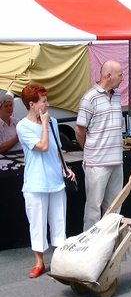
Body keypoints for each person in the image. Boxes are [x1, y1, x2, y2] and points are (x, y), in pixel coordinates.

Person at [16, 84, 75, 278]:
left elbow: (57, 149)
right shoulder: (23, 126)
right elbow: (42, 146)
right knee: (37, 222)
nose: (47, 105)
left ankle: (58, 258)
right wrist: (43, 124)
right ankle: (39, 261)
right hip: (35, 181)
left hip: (55, 178)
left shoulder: (53, 122)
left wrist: (65, 168)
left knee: (59, 220)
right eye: (43, 101)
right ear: (32, 104)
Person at [75, 60, 124, 231]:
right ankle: (90, 247)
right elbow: (80, 129)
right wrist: (88, 149)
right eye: (120, 75)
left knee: (115, 205)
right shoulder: (89, 98)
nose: (123, 78)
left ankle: (109, 245)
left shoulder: (117, 95)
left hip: (116, 161)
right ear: (108, 76)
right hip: (97, 162)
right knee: (94, 207)